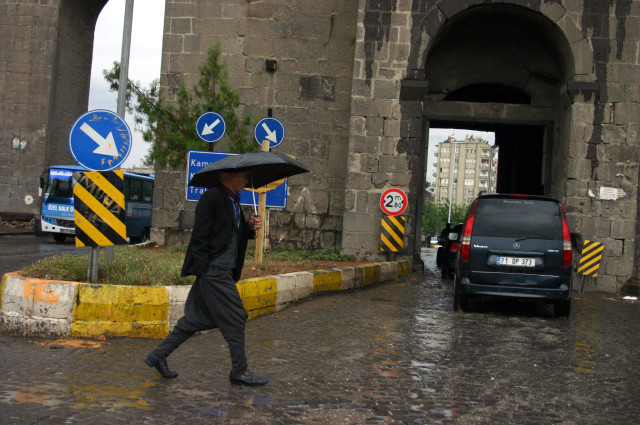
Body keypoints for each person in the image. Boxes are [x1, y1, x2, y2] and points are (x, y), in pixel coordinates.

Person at [145, 169, 268, 386]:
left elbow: (230, 234)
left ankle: (158, 355)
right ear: (231, 176)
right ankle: (240, 370)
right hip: (214, 270)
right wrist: (204, 270)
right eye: (244, 177)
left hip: (224, 270)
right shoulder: (212, 198)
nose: (247, 181)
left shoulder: (233, 202)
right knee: (237, 316)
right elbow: (200, 235)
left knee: (196, 319)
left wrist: (249, 228)